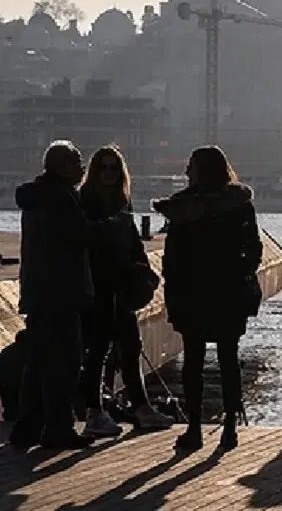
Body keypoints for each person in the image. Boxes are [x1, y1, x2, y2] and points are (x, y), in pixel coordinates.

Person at [154, 146, 263, 452]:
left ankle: (194, 427)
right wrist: (240, 272)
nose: (187, 172)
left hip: (192, 291)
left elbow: (173, 255)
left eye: (191, 166)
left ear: (200, 170)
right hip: (228, 291)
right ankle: (230, 426)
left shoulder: (182, 207)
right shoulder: (239, 204)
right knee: (229, 359)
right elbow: (253, 247)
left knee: (193, 361)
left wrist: (173, 288)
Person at [78, 145, 174, 437]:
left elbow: (132, 241)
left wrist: (144, 267)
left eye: (114, 168)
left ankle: (141, 408)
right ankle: (94, 411)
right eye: (103, 168)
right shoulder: (87, 203)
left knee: (131, 346)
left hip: (121, 284)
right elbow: (89, 243)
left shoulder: (122, 202)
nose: (108, 173)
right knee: (98, 350)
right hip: (99, 286)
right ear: (94, 172)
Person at [9, 141, 95, 451]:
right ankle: (58, 427)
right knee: (65, 361)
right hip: (61, 291)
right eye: (76, 161)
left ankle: (27, 427)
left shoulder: (36, 197)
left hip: (39, 290)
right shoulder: (60, 197)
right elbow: (78, 234)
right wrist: (110, 229)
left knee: (39, 360)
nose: (82, 167)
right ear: (61, 166)